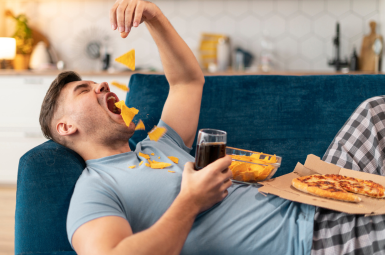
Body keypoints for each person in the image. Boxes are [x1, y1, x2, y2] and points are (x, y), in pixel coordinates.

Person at [38, 1, 385, 254]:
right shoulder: (95, 189)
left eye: (97, 84)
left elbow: (188, 82)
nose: (102, 87)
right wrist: (190, 202)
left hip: (313, 196)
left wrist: (154, 16)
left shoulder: (157, 144)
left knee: (374, 111)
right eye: (84, 90)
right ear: (65, 127)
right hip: (314, 239)